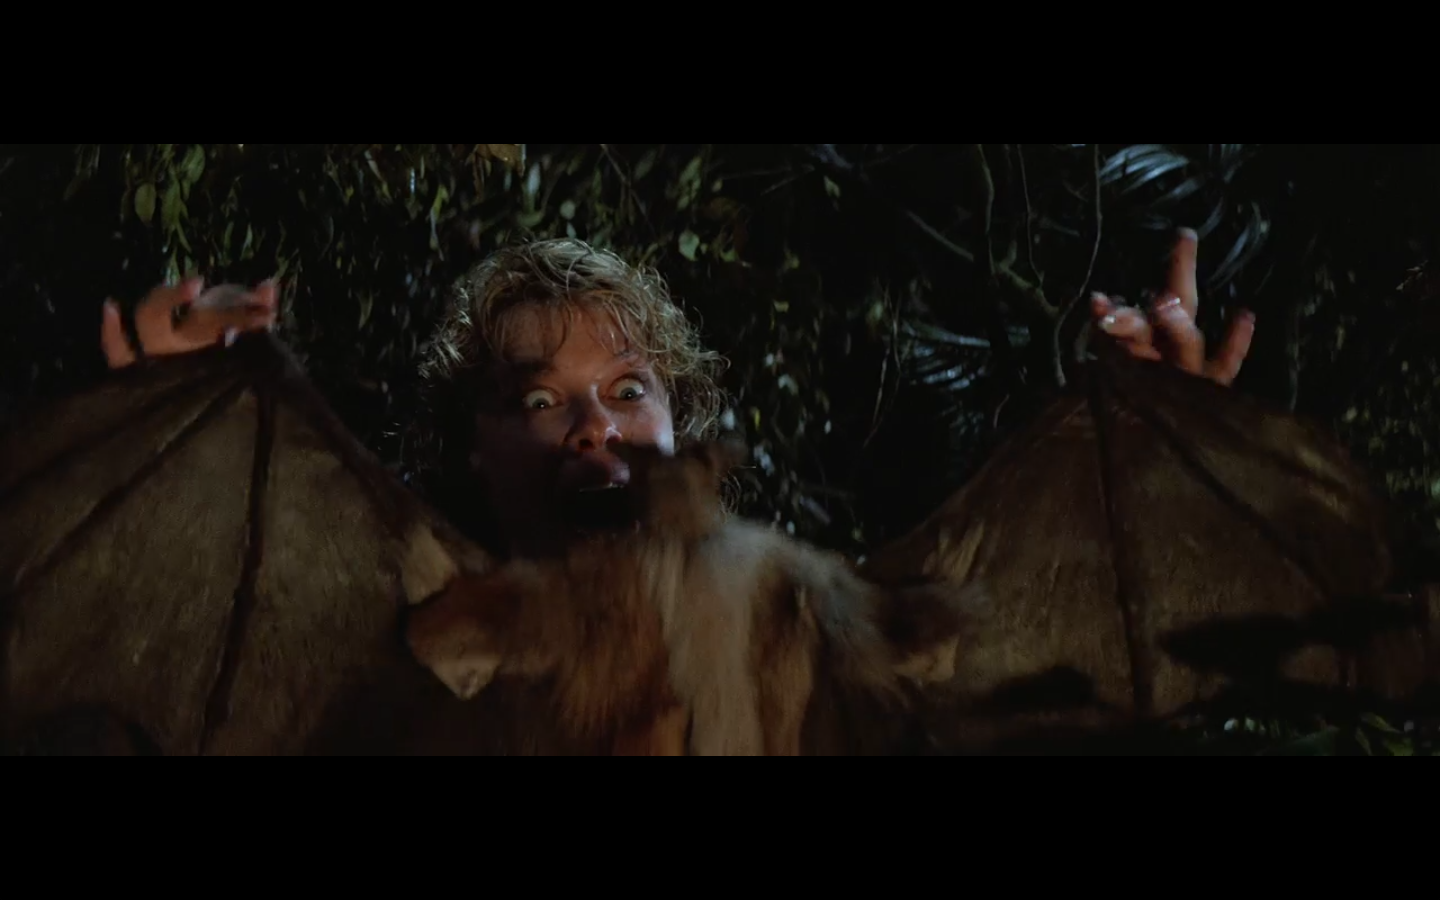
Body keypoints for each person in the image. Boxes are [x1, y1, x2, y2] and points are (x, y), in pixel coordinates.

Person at [100, 227, 1256, 559]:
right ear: (471, 448)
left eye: (626, 387)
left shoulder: (795, 634)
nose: (593, 425)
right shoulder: (400, 655)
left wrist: (1150, 462)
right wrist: (153, 443)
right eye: (538, 401)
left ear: (682, 426)